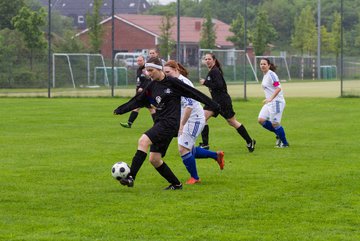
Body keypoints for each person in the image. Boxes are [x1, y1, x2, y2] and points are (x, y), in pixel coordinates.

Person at [113, 57, 220, 190]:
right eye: (147, 71)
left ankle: (131, 177)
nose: (149, 73)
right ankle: (176, 184)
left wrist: (213, 105)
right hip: (161, 122)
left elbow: (194, 93)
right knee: (154, 159)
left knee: (143, 141)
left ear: (159, 69)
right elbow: (138, 100)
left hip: (169, 124)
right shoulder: (151, 85)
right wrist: (121, 110)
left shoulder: (173, 83)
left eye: (151, 70)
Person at [163, 60, 225, 185]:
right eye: (165, 73)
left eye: (168, 72)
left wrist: (181, 125)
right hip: (187, 119)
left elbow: (189, 106)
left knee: (183, 149)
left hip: (194, 118)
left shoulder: (182, 83)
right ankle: (216, 155)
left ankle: (195, 177)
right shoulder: (173, 83)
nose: (166, 75)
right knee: (188, 148)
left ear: (176, 69)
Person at [199, 53, 256, 152]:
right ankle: (205, 144)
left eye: (209, 59)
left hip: (222, 101)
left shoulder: (215, 71)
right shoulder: (213, 71)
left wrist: (205, 83)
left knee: (232, 122)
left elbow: (219, 85)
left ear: (214, 60)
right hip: (215, 102)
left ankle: (249, 141)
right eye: (206, 59)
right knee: (202, 118)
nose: (207, 60)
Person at [258, 58, 289, 148]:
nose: (262, 66)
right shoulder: (265, 75)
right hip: (269, 102)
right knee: (261, 120)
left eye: (264, 64)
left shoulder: (271, 75)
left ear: (269, 65)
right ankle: (279, 134)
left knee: (275, 123)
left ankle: (285, 143)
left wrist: (270, 98)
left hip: (277, 102)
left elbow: (278, 88)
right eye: (261, 64)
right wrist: (268, 99)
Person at [120, 55, 156, 128]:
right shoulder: (139, 69)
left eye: (140, 60)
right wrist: (137, 89)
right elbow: (139, 81)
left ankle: (157, 124)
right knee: (139, 107)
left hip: (146, 92)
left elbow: (149, 80)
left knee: (150, 108)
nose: (139, 62)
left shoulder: (146, 69)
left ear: (144, 60)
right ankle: (129, 123)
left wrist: (143, 88)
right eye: (138, 61)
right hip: (140, 93)